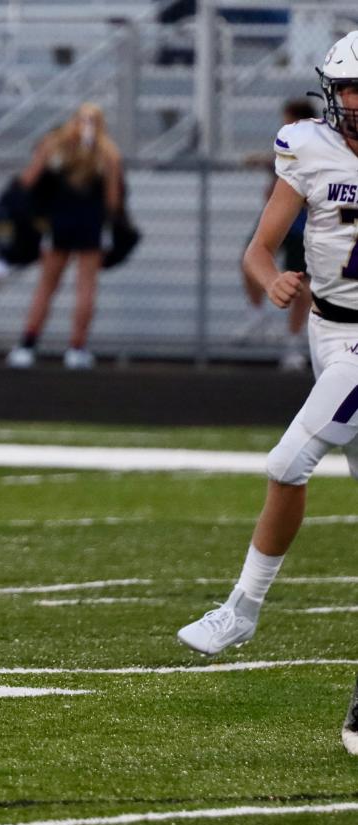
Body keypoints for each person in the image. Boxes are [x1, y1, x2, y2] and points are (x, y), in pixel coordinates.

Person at [177, 35, 358, 755]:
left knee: (287, 463)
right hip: (328, 331)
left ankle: (242, 608)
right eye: (348, 87)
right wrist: (271, 278)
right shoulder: (307, 147)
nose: (354, 101)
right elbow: (258, 247)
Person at [5, 102, 123, 370]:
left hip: (59, 224)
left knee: (47, 286)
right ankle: (76, 349)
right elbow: (113, 202)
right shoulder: (108, 154)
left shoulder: (55, 146)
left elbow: (28, 181)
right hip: (90, 226)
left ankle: (27, 345)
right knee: (86, 287)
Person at [240, 98, 318, 371]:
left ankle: (293, 343)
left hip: (301, 225)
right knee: (250, 258)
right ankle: (257, 315)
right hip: (278, 219)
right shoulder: (289, 146)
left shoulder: (315, 148)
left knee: (303, 286)